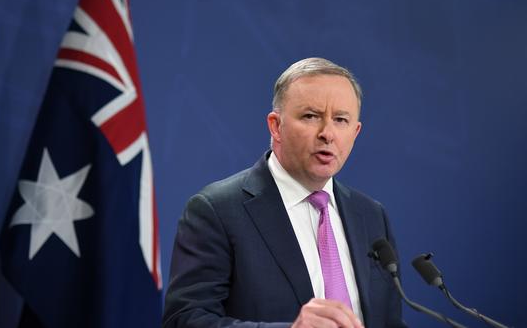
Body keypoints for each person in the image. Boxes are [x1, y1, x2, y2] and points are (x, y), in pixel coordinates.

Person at [162, 58, 406, 328]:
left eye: (340, 120)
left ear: (355, 132)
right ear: (276, 126)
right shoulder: (217, 211)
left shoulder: (371, 216)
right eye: (311, 116)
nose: (327, 133)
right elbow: (185, 321)